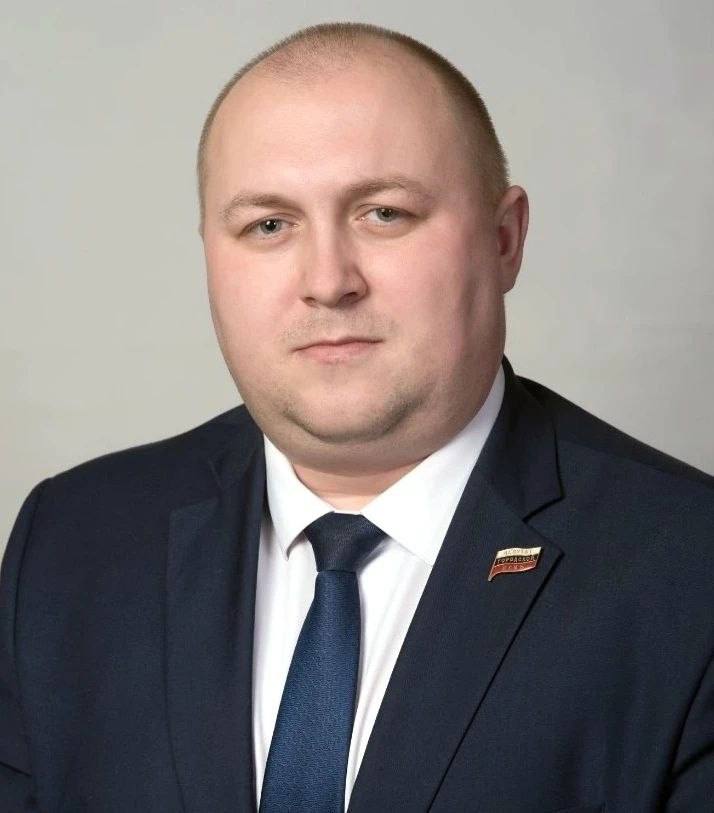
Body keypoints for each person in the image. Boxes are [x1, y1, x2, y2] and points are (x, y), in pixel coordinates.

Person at [1, 20, 712, 813]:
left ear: (504, 239)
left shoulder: (689, 572)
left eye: (384, 214)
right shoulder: (70, 547)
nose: (328, 280)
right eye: (269, 225)